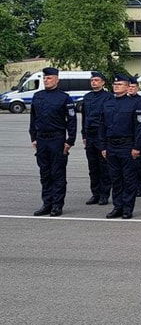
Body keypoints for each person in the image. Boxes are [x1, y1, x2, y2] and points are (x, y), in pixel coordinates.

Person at [29, 67, 77, 216]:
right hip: (42, 139)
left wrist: (70, 141)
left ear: (57, 79)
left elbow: (71, 121)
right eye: (44, 78)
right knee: (45, 173)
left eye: (49, 78)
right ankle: (47, 203)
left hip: (57, 139)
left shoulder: (64, 98)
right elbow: (33, 119)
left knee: (57, 173)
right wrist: (33, 137)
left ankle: (57, 205)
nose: (46, 80)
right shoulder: (37, 96)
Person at [100, 74, 141, 219]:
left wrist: (137, 147)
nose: (116, 86)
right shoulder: (108, 103)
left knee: (128, 179)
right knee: (115, 178)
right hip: (111, 145)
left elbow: (140, 127)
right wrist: (103, 146)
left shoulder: (135, 104)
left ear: (127, 87)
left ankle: (127, 208)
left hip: (127, 145)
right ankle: (117, 206)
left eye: (120, 84)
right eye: (115, 84)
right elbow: (102, 126)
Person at [80, 71, 112, 206]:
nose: (94, 82)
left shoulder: (109, 97)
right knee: (92, 167)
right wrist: (84, 135)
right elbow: (84, 117)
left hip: (102, 135)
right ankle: (95, 193)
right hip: (90, 135)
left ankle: (104, 194)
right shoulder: (87, 97)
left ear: (103, 82)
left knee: (103, 166)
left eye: (97, 80)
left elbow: (110, 118)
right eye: (92, 80)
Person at [126, 81, 141, 197]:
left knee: (139, 164)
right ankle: (131, 186)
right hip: (127, 137)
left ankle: (140, 187)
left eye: (133, 87)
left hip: (139, 137)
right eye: (129, 86)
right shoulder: (123, 101)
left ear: (137, 88)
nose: (131, 89)